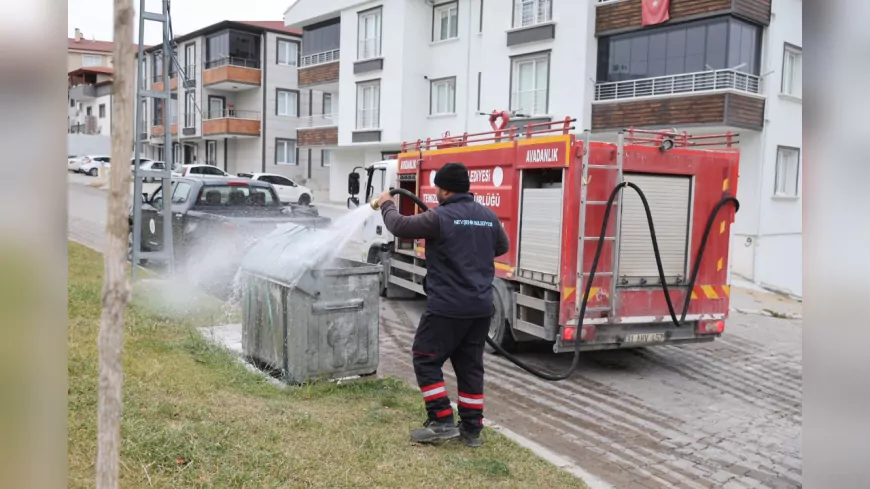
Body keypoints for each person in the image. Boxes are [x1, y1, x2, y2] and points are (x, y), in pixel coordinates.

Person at [376, 162, 510, 447]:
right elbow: (502, 246)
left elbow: (399, 226)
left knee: (425, 358)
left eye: (438, 186)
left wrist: (387, 203)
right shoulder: (488, 216)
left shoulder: (439, 217)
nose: (435, 191)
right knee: (470, 366)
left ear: (445, 189)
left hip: (447, 307)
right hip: (480, 307)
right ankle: (472, 430)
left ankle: (441, 420)